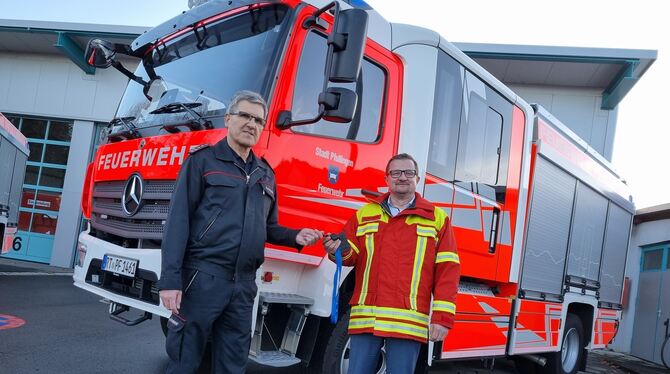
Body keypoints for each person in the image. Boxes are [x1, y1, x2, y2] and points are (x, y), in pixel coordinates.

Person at [158, 90, 323, 373]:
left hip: (244, 286)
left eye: (258, 120)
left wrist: (294, 236)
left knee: (233, 364)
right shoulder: (202, 162)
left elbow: (267, 227)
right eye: (245, 116)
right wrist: (170, 280)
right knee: (185, 361)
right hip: (202, 278)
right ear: (228, 119)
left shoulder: (265, 173)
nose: (251, 124)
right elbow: (177, 223)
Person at [323, 153, 460, 374]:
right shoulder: (365, 214)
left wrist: (442, 319)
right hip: (367, 318)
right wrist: (336, 250)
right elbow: (351, 256)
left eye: (408, 173)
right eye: (396, 173)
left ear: (418, 178)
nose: (402, 177)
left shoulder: (437, 219)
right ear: (387, 179)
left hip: (407, 322)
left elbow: (447, 271)